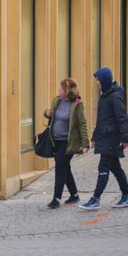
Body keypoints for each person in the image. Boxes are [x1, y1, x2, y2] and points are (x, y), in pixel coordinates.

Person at [80, 68, 128, 210]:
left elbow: (122, 118)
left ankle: (96, 199)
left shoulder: (114, 97)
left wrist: (125, 137)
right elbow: (102, 120)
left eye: (98, 80)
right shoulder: (106, 95)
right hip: (106, 137)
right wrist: (95, 137)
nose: (97, 83)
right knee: (115, 167)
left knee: (103, 167)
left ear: (105, 80)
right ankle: (126, 196)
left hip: (112, 138)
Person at [43, 78, 89, 209]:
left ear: (67, 91)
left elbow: (82, 123)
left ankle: (56, 198)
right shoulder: (57, 101)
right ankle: (74, 195)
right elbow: (51, 115)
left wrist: (85, 143)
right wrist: (47, 113)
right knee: (65, 167)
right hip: (55, 141)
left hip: (68, 143)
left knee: (60, 167)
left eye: (61, 89)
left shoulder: (77, 105)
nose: (58, 91)